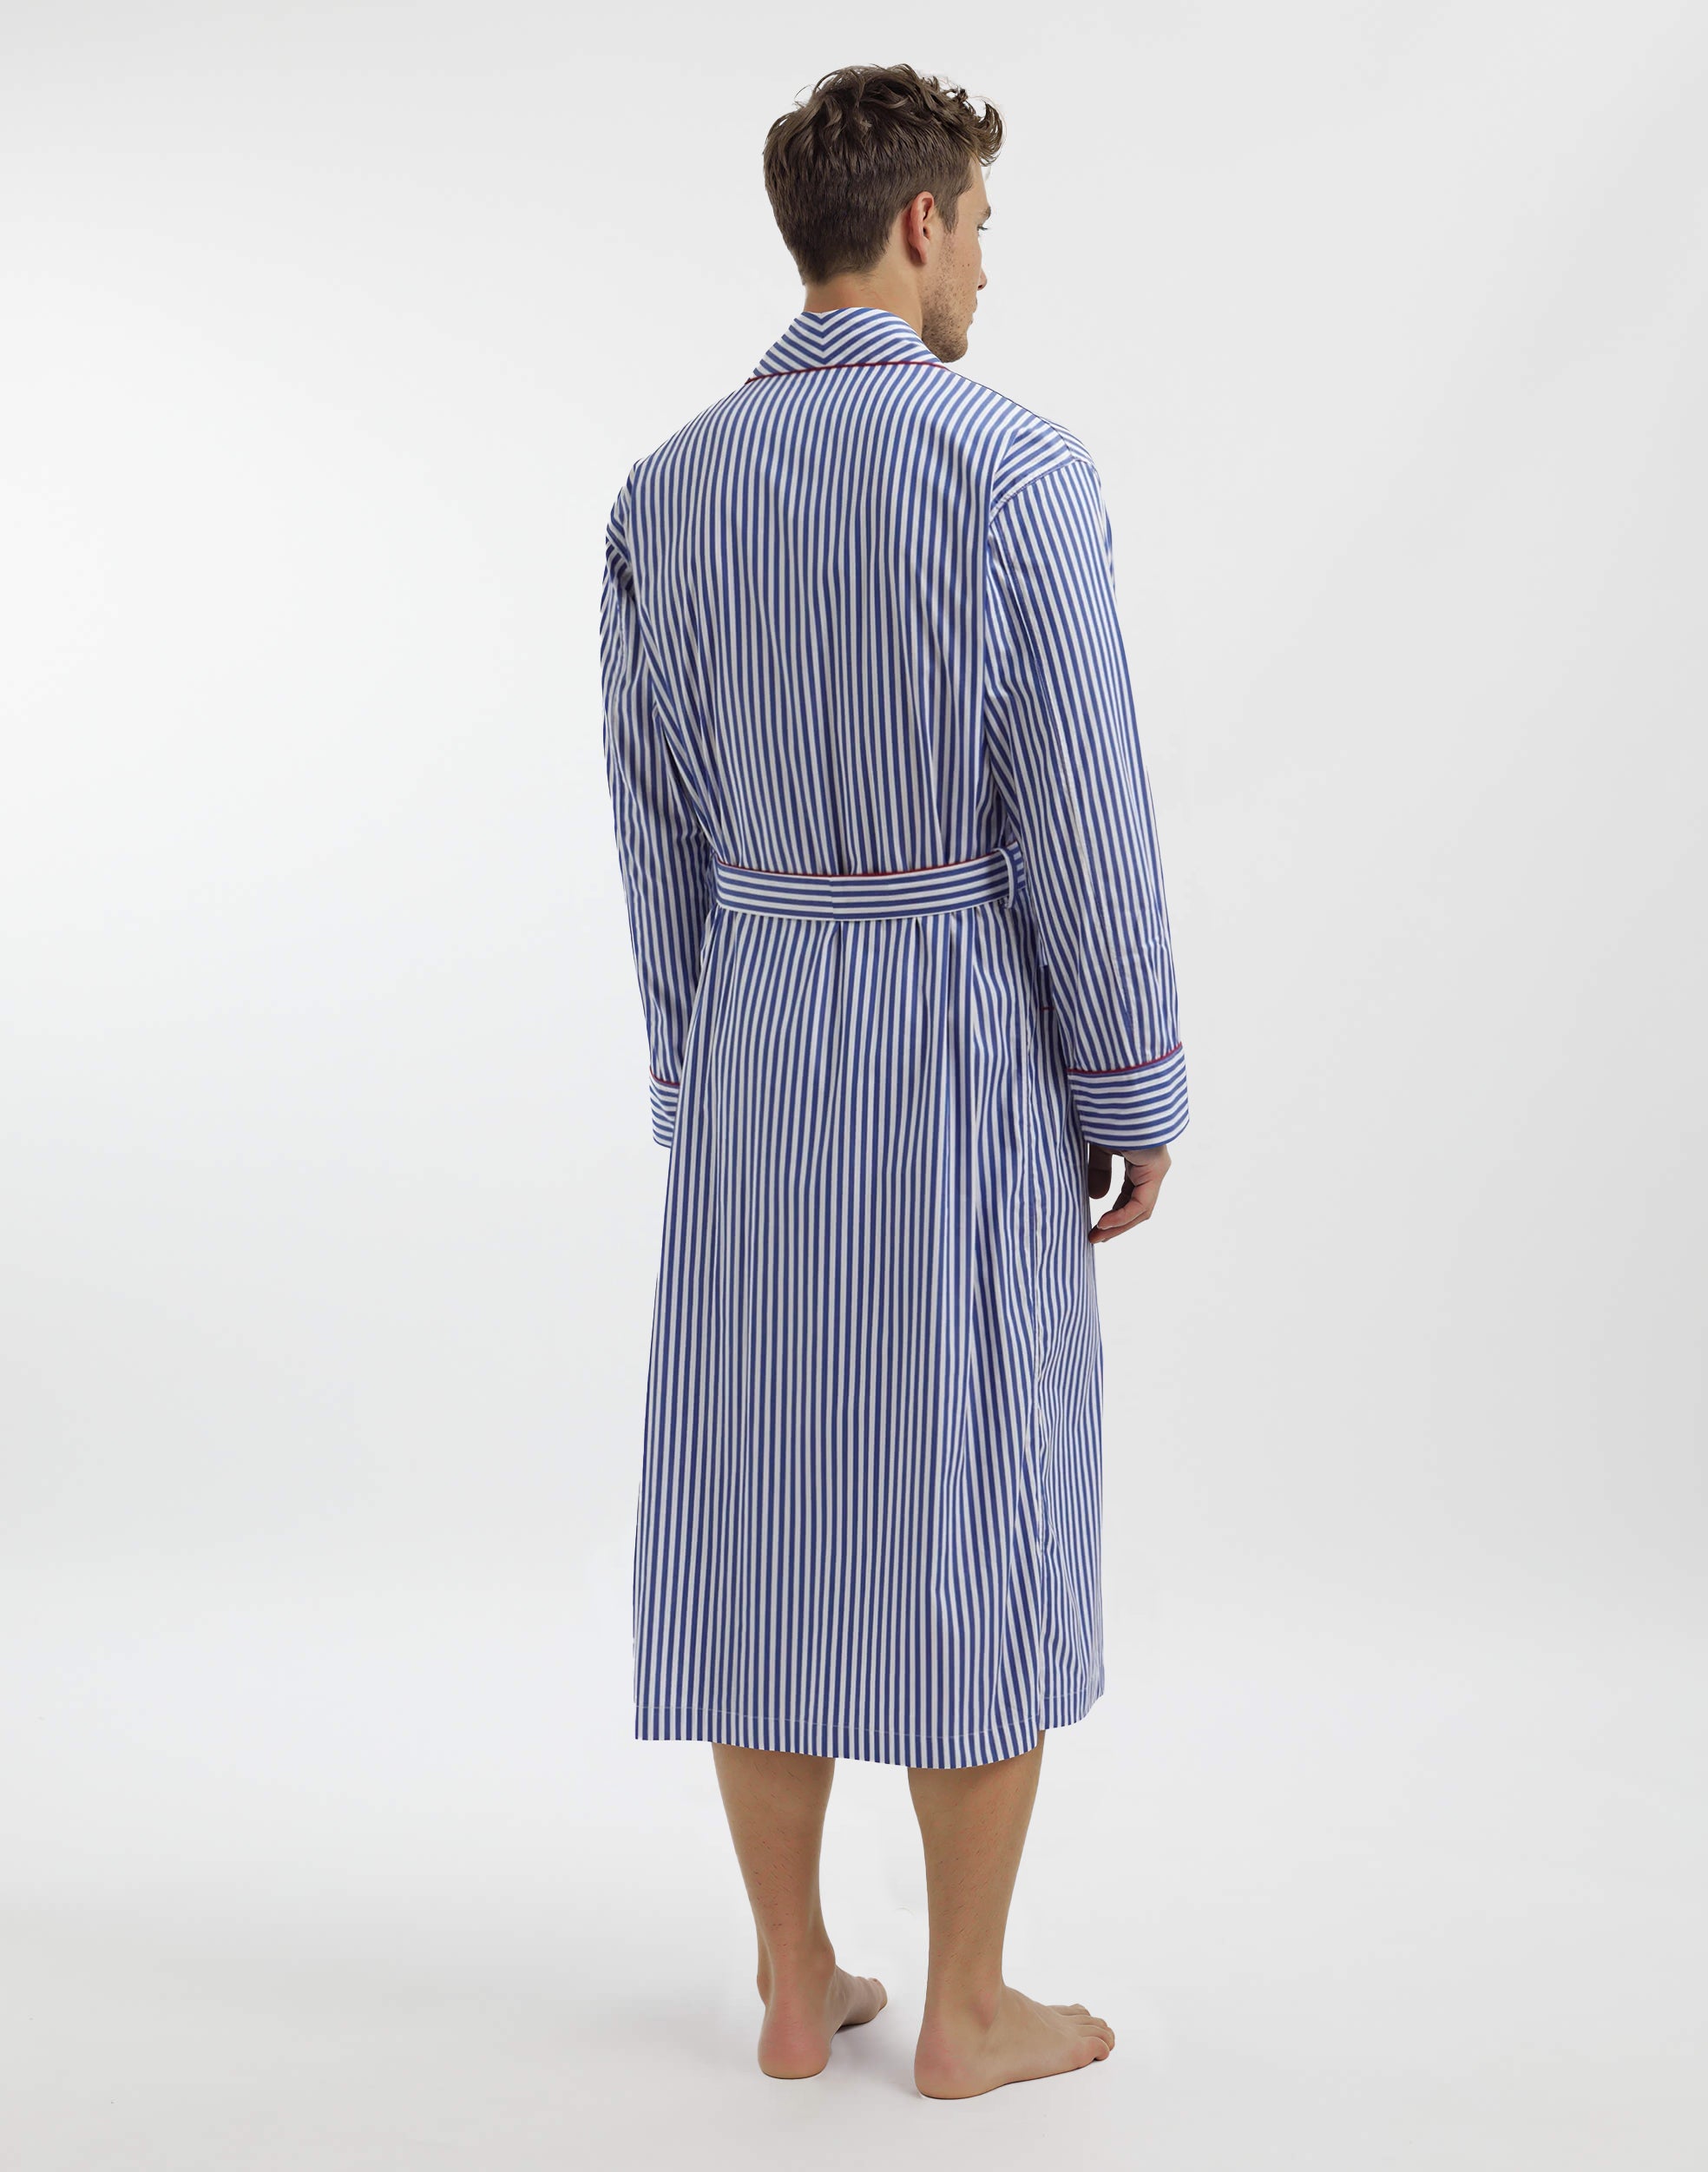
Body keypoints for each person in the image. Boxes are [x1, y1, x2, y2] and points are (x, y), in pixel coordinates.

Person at [599, 63, 1189, 2100]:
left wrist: (689, 1070)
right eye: (982, 232)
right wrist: (1131, 1084)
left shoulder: (664, 492)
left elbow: (650, 826)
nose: (986, 274)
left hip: (756, 1023)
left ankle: (792, 1984)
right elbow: (1084, 816)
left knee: (759, 1504)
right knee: (978, 1495)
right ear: (921, 222)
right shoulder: (1011, 469)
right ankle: (964, 2007)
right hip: (955, 1036)